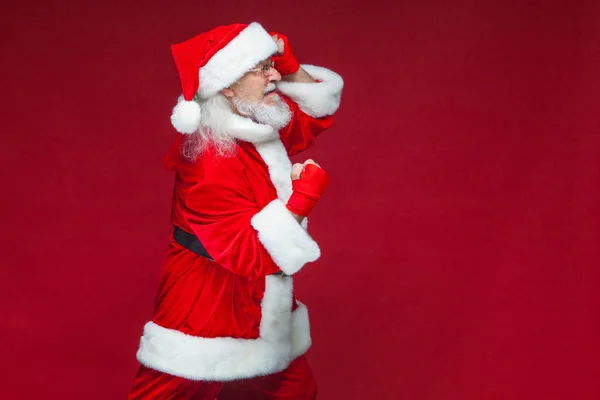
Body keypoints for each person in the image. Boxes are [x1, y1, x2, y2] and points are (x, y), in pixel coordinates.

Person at [127, 21, 344, 399]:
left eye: (271, 65)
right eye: (261, 69)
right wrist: (301, 200)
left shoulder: (253, 120)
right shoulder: (210, 158)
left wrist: (293, 68)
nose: (274, 74)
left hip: (260, 296)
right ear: (227, 84)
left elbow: (310, 120)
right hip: (205, 299)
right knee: (167, 392)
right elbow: (251, 252)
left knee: (294, 391)